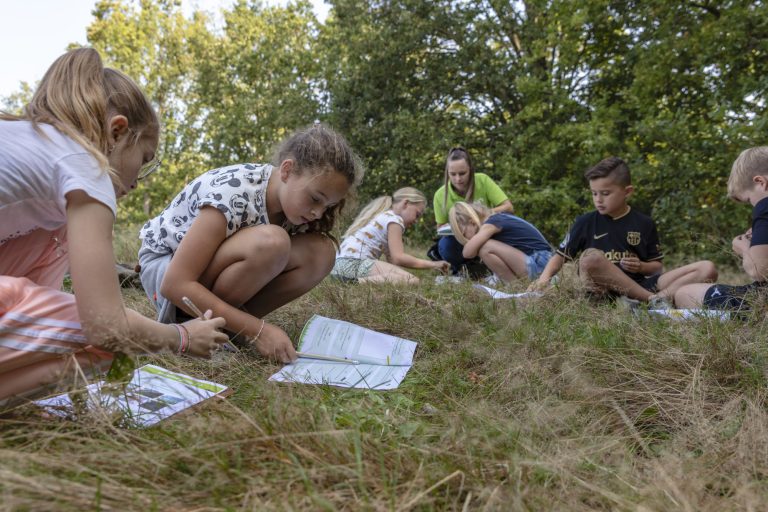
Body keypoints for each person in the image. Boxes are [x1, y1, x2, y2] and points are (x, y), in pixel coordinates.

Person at [0, 48, 228, 405]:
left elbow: (44, 298)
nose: (138, 180)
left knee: (58, 233)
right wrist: (180, 336)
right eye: (145, 159)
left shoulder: (28, 143)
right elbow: (105, 327)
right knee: (120, 341)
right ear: (118, 131)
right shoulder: (85, 167)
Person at [139, 124, 364, 363]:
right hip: (166, 269)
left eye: (327, 206)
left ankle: (227, 330)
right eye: (315, 199)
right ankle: (191, 326)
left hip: (204, 274)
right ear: (287, 170)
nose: (318, 213)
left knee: (322, 253)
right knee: (273, 242)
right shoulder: (233, 193)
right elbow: (175, 284)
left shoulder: (296, 208)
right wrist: (258, 330)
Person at [529, 156, 717, 305]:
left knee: (707, 268)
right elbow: (560, 256)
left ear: (627, 192)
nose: (598, 200)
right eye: (594, 193)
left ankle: (654, 301)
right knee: (591, 258)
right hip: (602, 291)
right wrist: (543, 280)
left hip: (638, 285)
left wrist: (640, 266)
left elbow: (657, 267)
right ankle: (652, 302)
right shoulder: (585, 221)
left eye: (605, 193)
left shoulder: (644, 223)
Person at [675, 147, 768, 311]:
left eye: (749, 200)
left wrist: (744, 249)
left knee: (685, 293)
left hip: (762, 301)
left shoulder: (764, 206)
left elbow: (760, 271)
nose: (752, 206)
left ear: (761, 182)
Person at [332, 188, 449, 284]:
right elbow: (399, 258)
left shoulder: (385, 216)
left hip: (337, 266)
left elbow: (392, 261)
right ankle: (354, 283)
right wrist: (434, 264)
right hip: (354, 264)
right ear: (406, 203)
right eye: (417, 214)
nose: (416, 221)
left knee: (400, 277)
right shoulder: (395, 220)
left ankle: (350, 281)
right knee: (412, 280)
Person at [431, 147, 514, 275]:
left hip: (487, 232)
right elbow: (440, 227)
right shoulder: (440, 195)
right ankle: (464, 269)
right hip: (460, 240)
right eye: (453, 174)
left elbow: (508, 207)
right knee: (445, 246)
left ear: (470, 169)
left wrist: (479, 215)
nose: (458, 179)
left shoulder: (483, 180)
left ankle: (492, 266)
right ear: (447, 172)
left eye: (462, 173)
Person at [448, 202, 553, 283]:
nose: (466, 239)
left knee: (485, 247)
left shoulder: (491, 224)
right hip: (542, 262)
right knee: (485, 245)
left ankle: (514, 286)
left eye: (464, 234)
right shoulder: (498, 218)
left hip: (540, 263)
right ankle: (511, 282)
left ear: (472, 223)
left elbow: (467, 253)